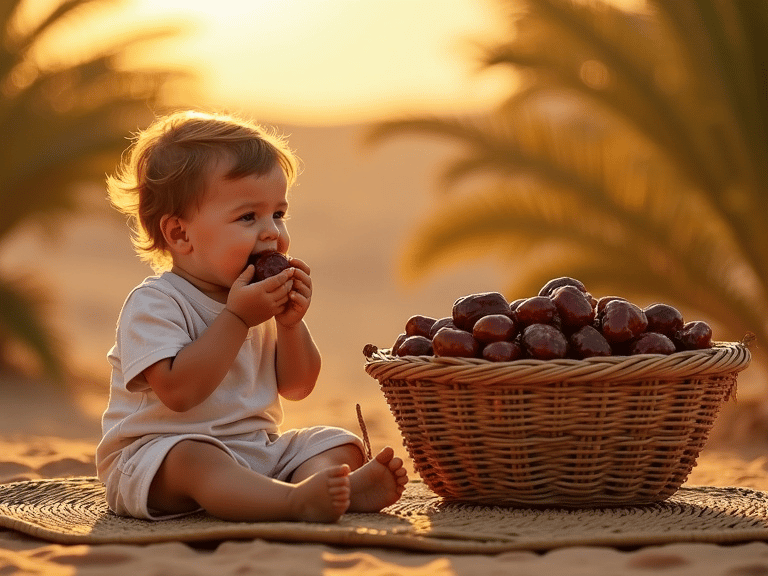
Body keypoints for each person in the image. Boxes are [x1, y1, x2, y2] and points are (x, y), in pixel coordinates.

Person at [95, 110, 408, 523]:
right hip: (159, 457)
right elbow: (179, 393)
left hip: (254, 449)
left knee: (337, 443)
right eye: (248, 217)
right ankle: (292, 502)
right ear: (180, 234)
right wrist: (238, 319)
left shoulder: (257, 302)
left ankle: (323, 491)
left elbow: (298, 387)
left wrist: (291, 323)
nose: (271, 232)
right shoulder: (156, 303)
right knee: (194, 457)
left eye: (278, 213)